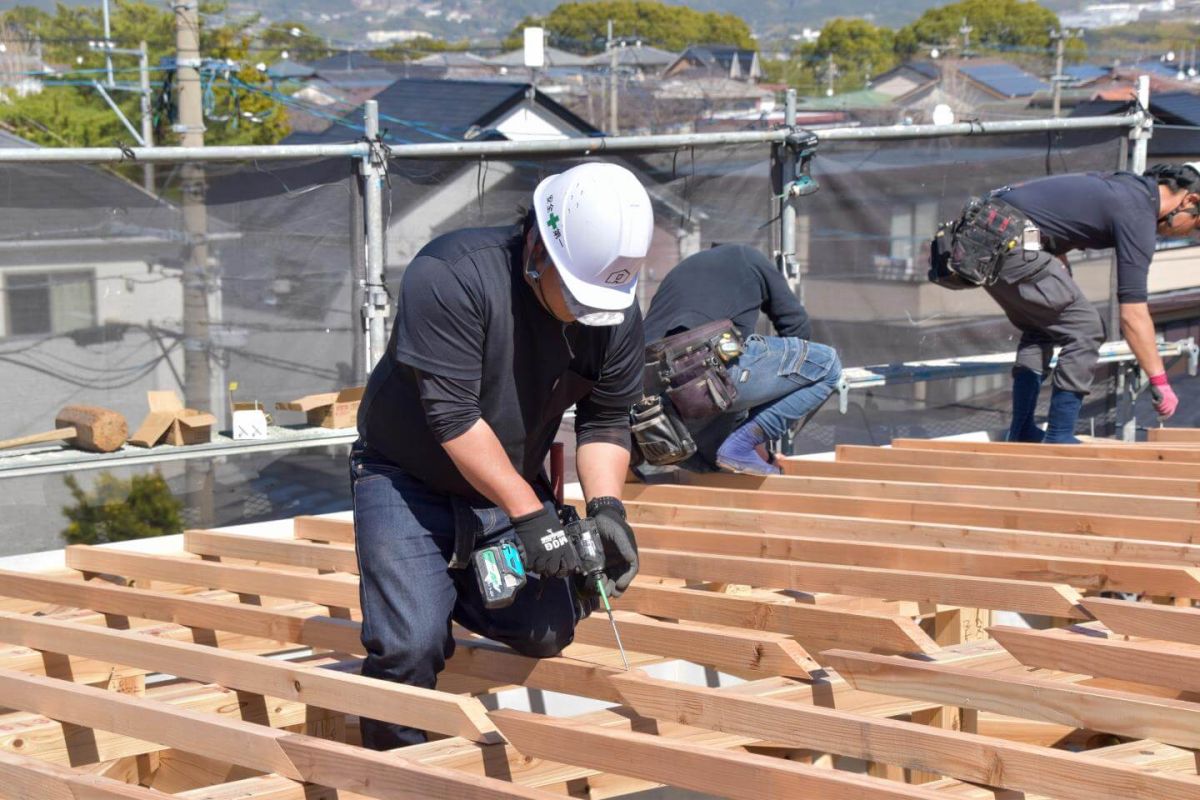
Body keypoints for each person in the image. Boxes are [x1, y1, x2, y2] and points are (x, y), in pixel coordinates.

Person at [350, 162, 652, 749]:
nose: (588, 313)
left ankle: (449, 585)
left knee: (547, 632)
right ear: (538, 244)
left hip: (505, 483)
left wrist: (609, 510)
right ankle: (399, 773)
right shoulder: (453, 275)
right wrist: (532, 516)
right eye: (576, 294)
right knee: (410, 647)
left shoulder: (611, 310)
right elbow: (454, 418)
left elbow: (606, 419)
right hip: (407, 480)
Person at [965, 163, 1200, 443]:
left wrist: (1054, 257)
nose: (1191, 233)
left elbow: (1053, 215)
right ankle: (1060, 436)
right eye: (1198, 224)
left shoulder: (1125, 188)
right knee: (1086, 328)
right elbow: (1133, 314)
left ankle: (1022, 432)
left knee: (1042, 327)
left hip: (980, 236)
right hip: (1009, 239)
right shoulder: (1139, 214)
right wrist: (1160, 379)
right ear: (1190, 200)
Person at [642, 244, 842, 475]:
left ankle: (734, 455)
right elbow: (797, 327)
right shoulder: (748, 257)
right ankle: (742, 445)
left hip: (650, 390)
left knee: (717, 462)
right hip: (705, 370)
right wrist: (772, 402)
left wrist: (766, 456)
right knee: (826, 364)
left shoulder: (684, 269)